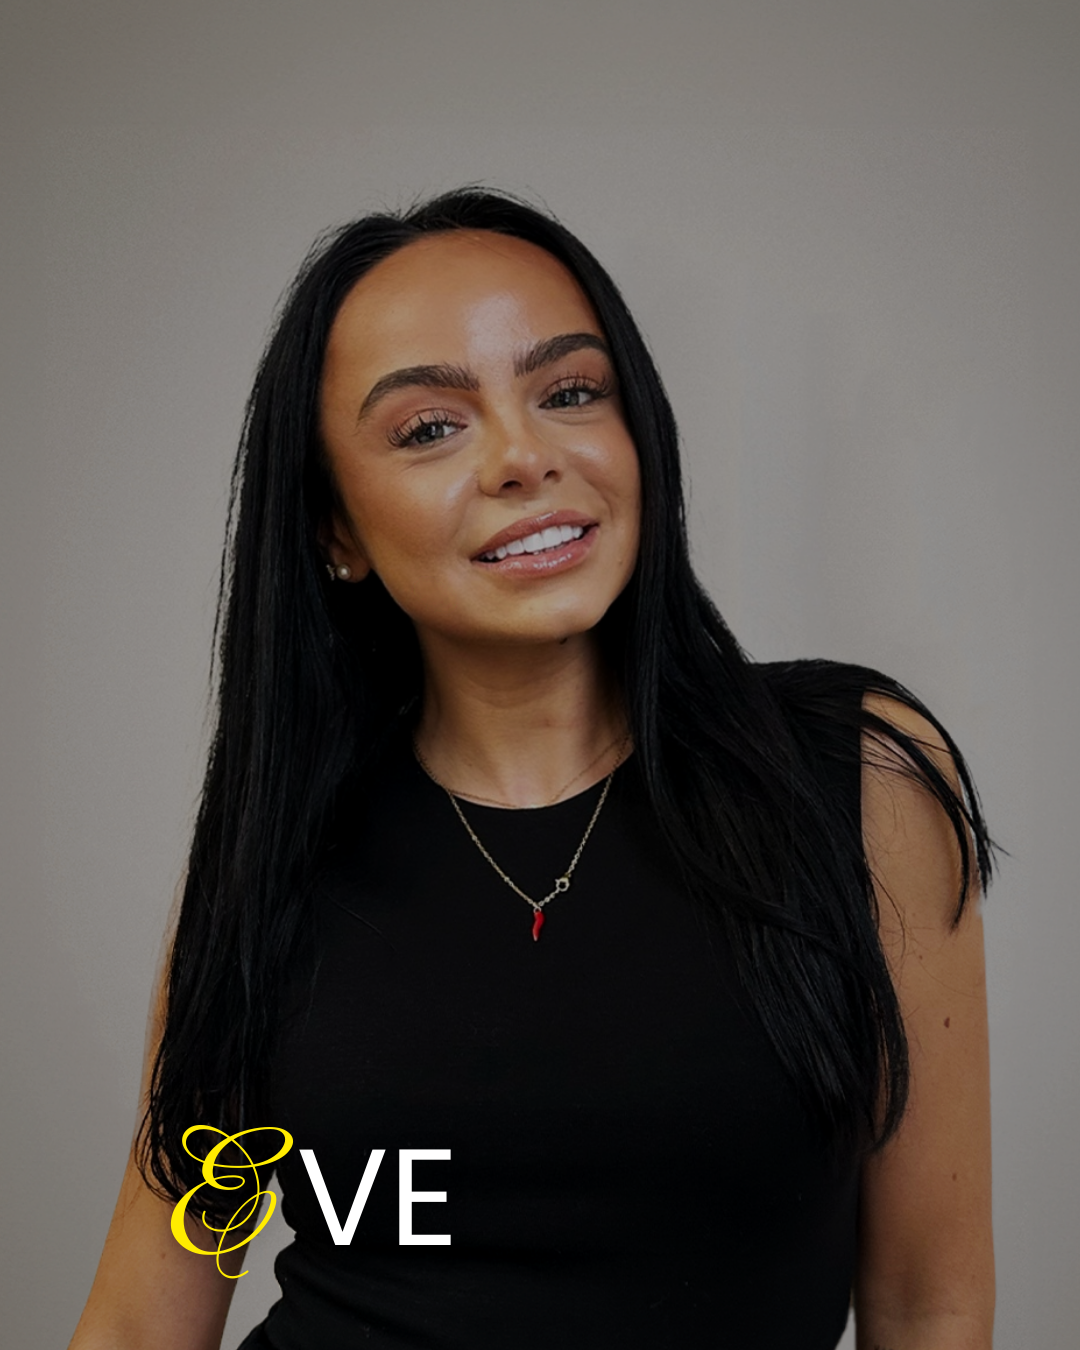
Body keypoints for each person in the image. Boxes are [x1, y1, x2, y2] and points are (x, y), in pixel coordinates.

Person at [69, 188, 996, 1350]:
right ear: (336, 534)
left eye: (568, 393)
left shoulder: (859, 781)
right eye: (427, 428)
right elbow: (145, 1320)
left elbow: (931, 1306)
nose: (524, 457)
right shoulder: (273, 857)